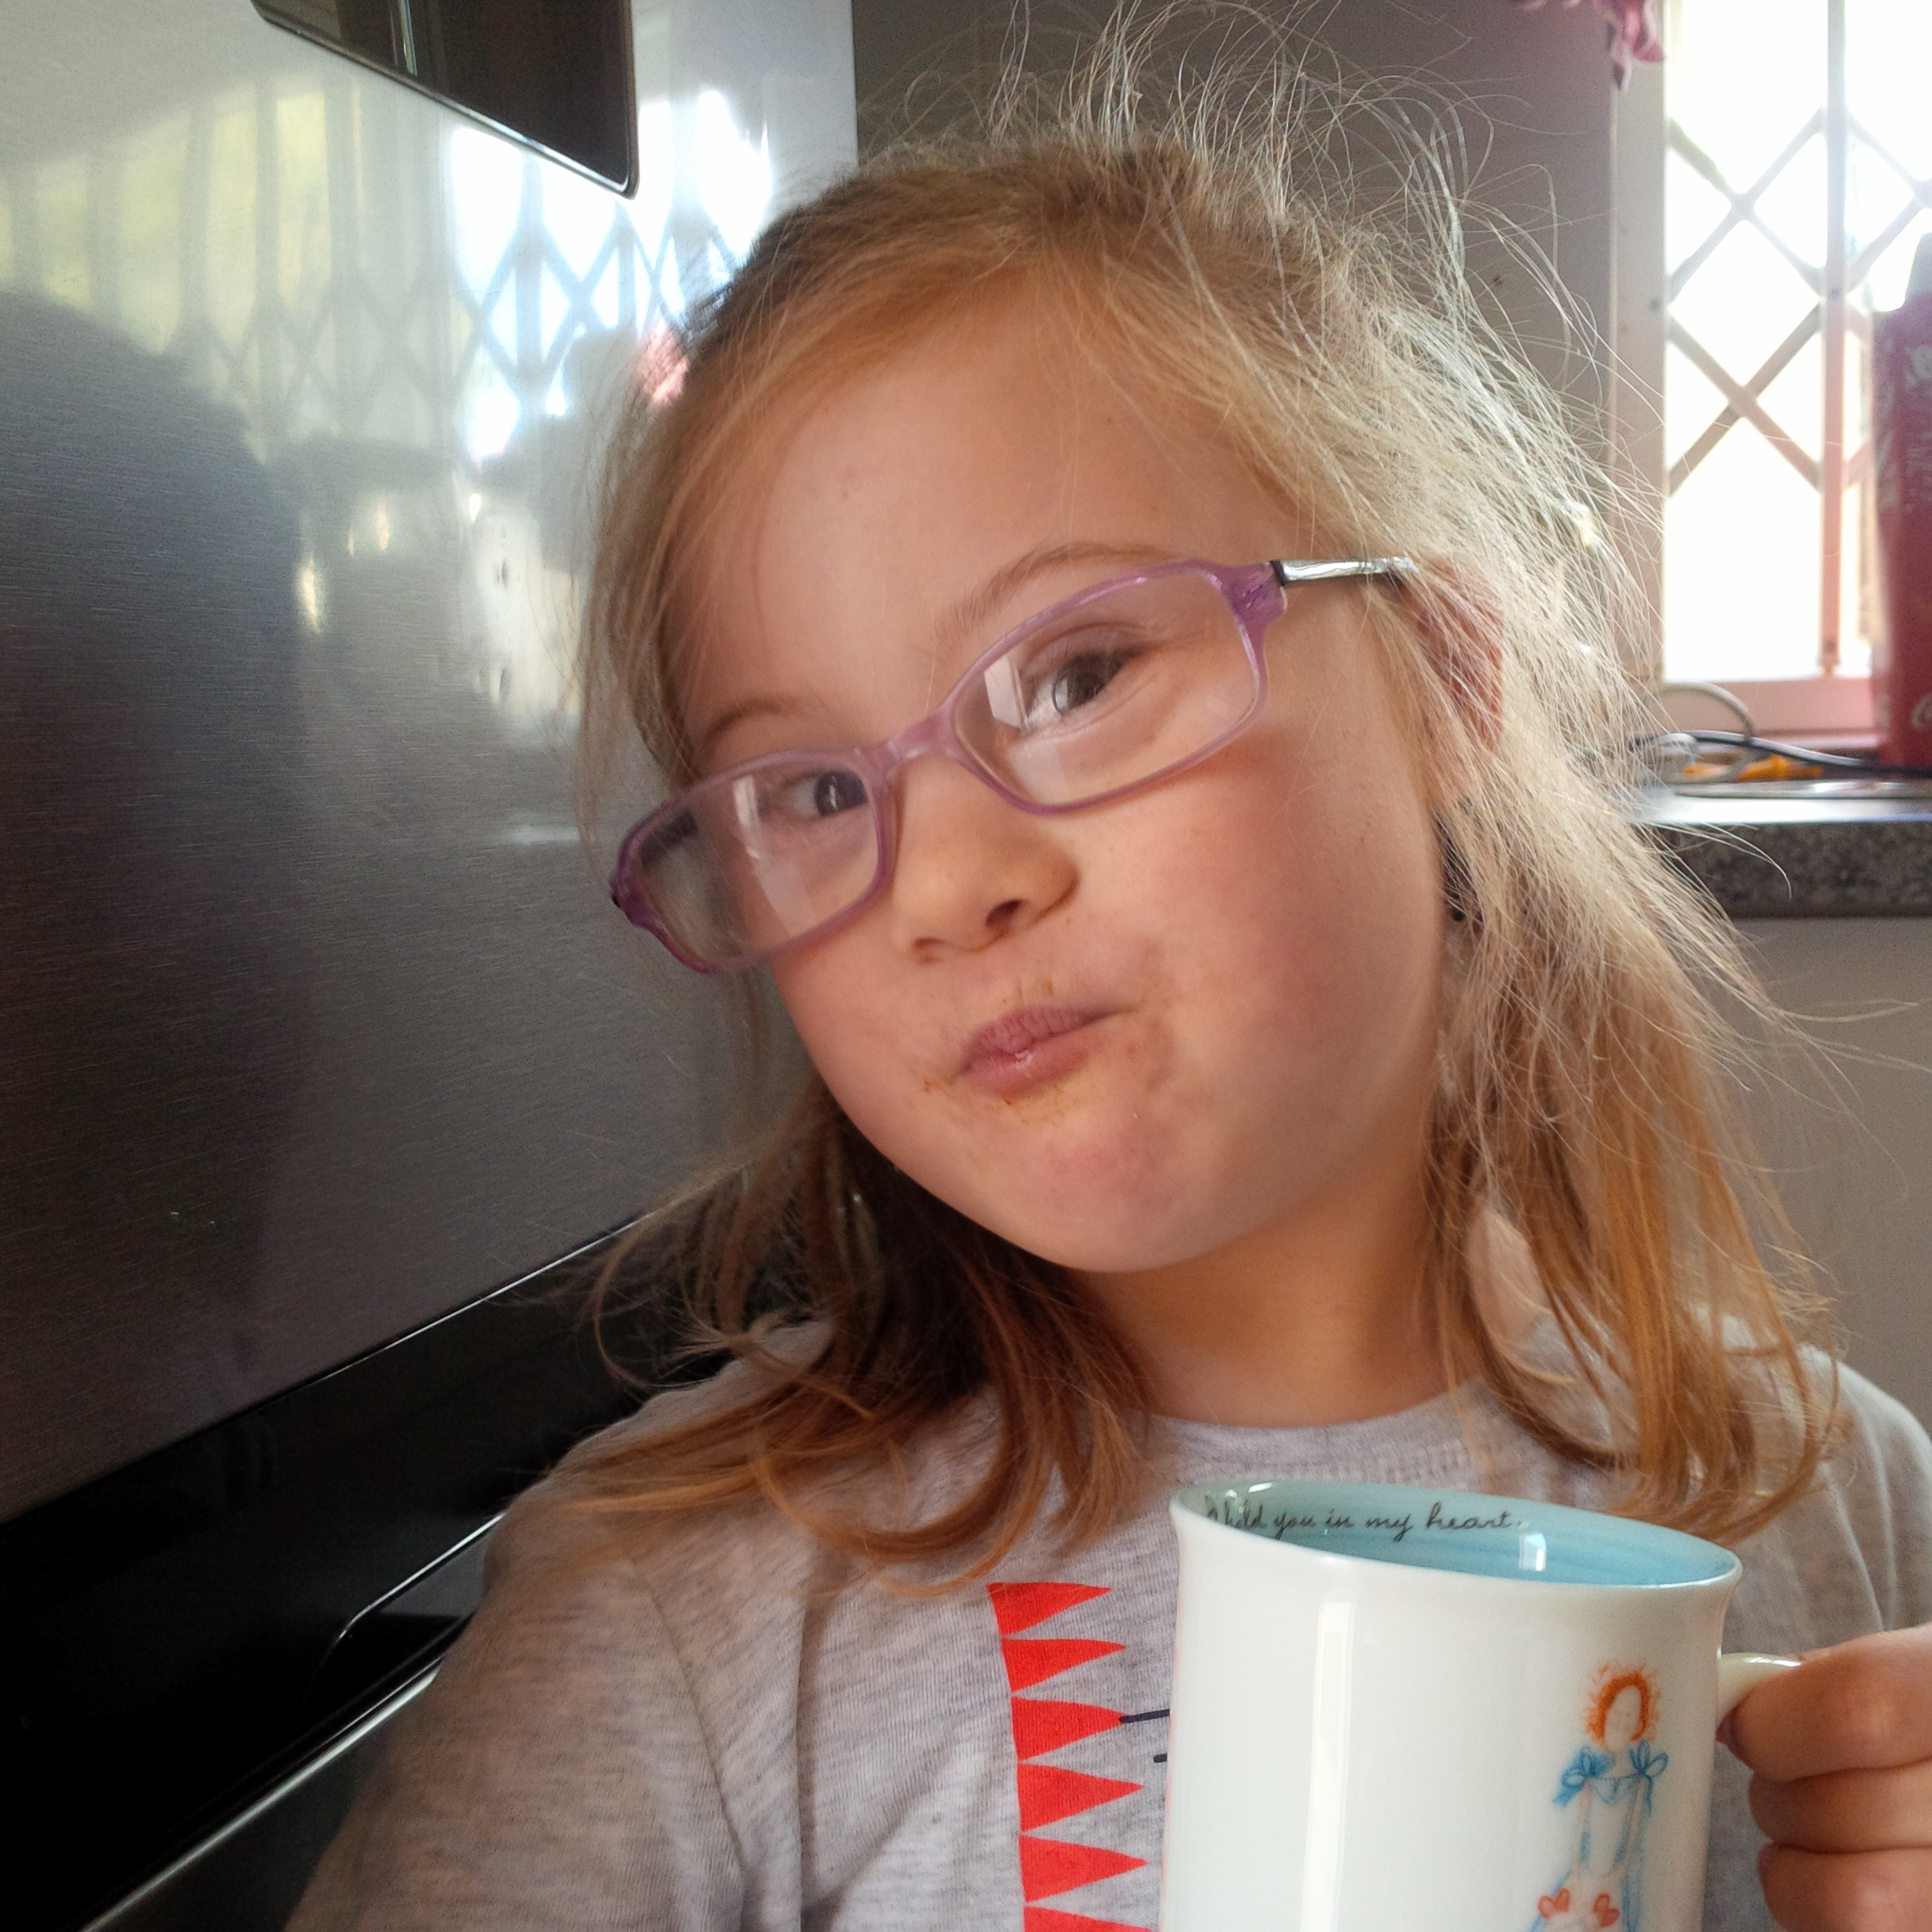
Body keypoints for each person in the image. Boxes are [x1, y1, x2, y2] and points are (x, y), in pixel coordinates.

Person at [290, 36, 1932, 1932]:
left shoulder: (1837, 1493)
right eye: (811, 792)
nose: (948, 884)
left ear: (1440, 680)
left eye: (1073, 678)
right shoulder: (664, 1625)